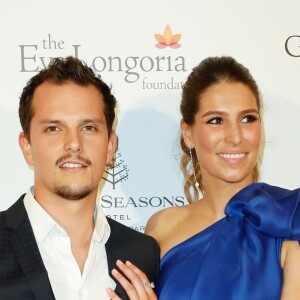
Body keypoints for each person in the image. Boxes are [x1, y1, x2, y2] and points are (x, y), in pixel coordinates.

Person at [108, 56, 300, 300]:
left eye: (247, 118)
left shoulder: (291, 219)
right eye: (216, 120)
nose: (235, 136)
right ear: (188, 134)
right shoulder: (162, 228)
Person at [0, 56, 159, 300]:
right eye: (53, 128)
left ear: (109, 146)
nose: (73, 144)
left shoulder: (142, 253)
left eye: (89, 128)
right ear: (27, 147)